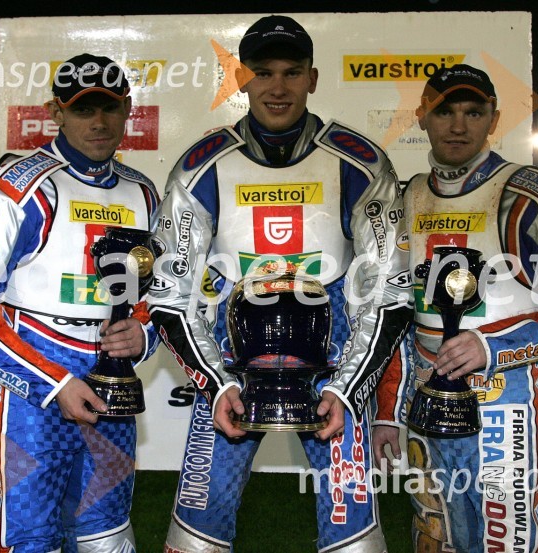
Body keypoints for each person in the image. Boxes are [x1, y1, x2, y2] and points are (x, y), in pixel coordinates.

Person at [147, 15, 410, 553]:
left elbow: (390, 291)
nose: (278, 87)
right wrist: (215, 382)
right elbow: (171, 293)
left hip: (334, 362)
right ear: (242, 78)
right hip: (231, 360)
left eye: (292, 72)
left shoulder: (360, 162)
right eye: (263, 72)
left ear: (313, 78)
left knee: (353, 530)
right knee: (198, 527)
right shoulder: (201, 165)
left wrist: (347, 387)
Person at [0, 53, 160, 552]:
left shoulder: (143, 192)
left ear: (128, 109)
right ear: (56, 112)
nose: (99, 122)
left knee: (107, 533)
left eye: (110, 107)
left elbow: (158, 294)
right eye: (82, 109)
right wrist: (52, 382)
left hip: (111, 384)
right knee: (29, 538)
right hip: (31, 389)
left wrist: (142, 334)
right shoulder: (14, 188)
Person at [371, 64, 538, 552]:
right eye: (445, 112)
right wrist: (388, 411)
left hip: (505, 404)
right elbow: (397, 317)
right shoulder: (407, 197)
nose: (458, 125)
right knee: (435, 537)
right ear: (421, 117)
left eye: (473, 113)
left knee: (508, 543)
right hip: (424, 402)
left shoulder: (533, 195)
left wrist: (491, 345)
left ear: (494, 119)